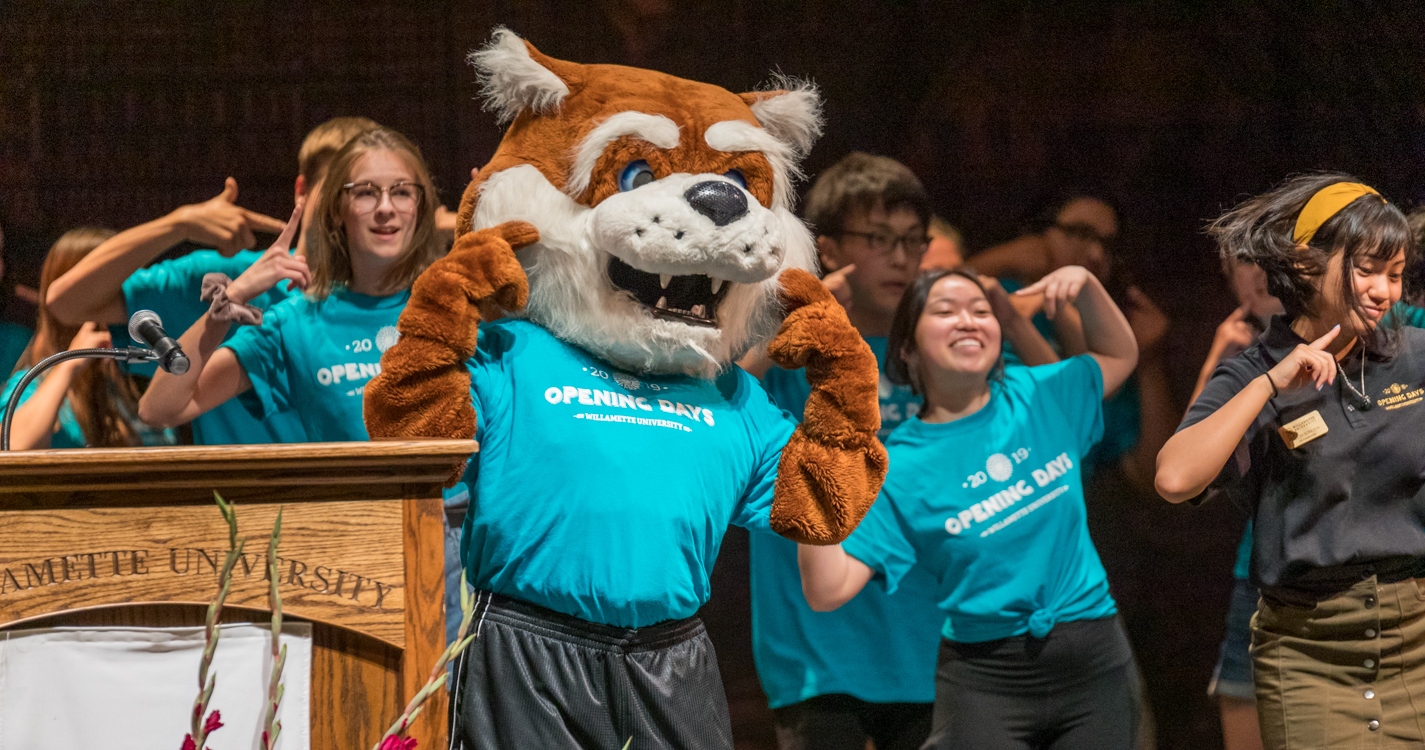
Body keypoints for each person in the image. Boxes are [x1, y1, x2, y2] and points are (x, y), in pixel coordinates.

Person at [745, 153, 1059, 750]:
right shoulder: (800, 347)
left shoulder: (947, 346)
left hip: (936, 639)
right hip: (817, 646)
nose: (900, 257)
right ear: (831, 249)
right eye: (879, 239)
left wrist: (1009, 317)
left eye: (913, 241)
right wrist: (795, 316)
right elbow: (715, 405)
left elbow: (1057, 405)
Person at [798, 264, 1141, 749]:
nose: (967, 320)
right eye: (945, 311)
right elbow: (827, 589)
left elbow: (1119, 354)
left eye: (981, 310)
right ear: (908, 349)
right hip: (987, 677)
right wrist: (808, 488)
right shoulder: (900, 467)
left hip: (1093, 659)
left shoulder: (1038, 393)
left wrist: (1085, 286)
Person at [1156, 174, 1422, 748]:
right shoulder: (1253, 371)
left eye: (1396, 275)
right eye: (1368, 270)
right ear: (1305, 265)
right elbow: (1176, 478)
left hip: (1419, 637)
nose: (1386, 291)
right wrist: (1273, 386)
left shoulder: (1413, 356)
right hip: (1311, 651)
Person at [45, 116, 383, 445]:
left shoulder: (385, 299)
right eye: (340, 189)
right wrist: (178, 224)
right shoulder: (223, 279)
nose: (350, 207)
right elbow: (66, 303)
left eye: (367, 193)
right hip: (239, 499)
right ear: (302, 190)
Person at [1188, 259, 1283, 750]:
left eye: (1272, 257)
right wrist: (1216, 359)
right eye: (1243, 261)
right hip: (1260, 573)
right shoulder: (1241, 353)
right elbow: (1188, 481)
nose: (1260, 272)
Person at [2, 228, 174, 450]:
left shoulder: (139, 375)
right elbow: (15, 447)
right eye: (122, 289)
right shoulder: (36, 383)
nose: (134, 299)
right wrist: (70, 364)